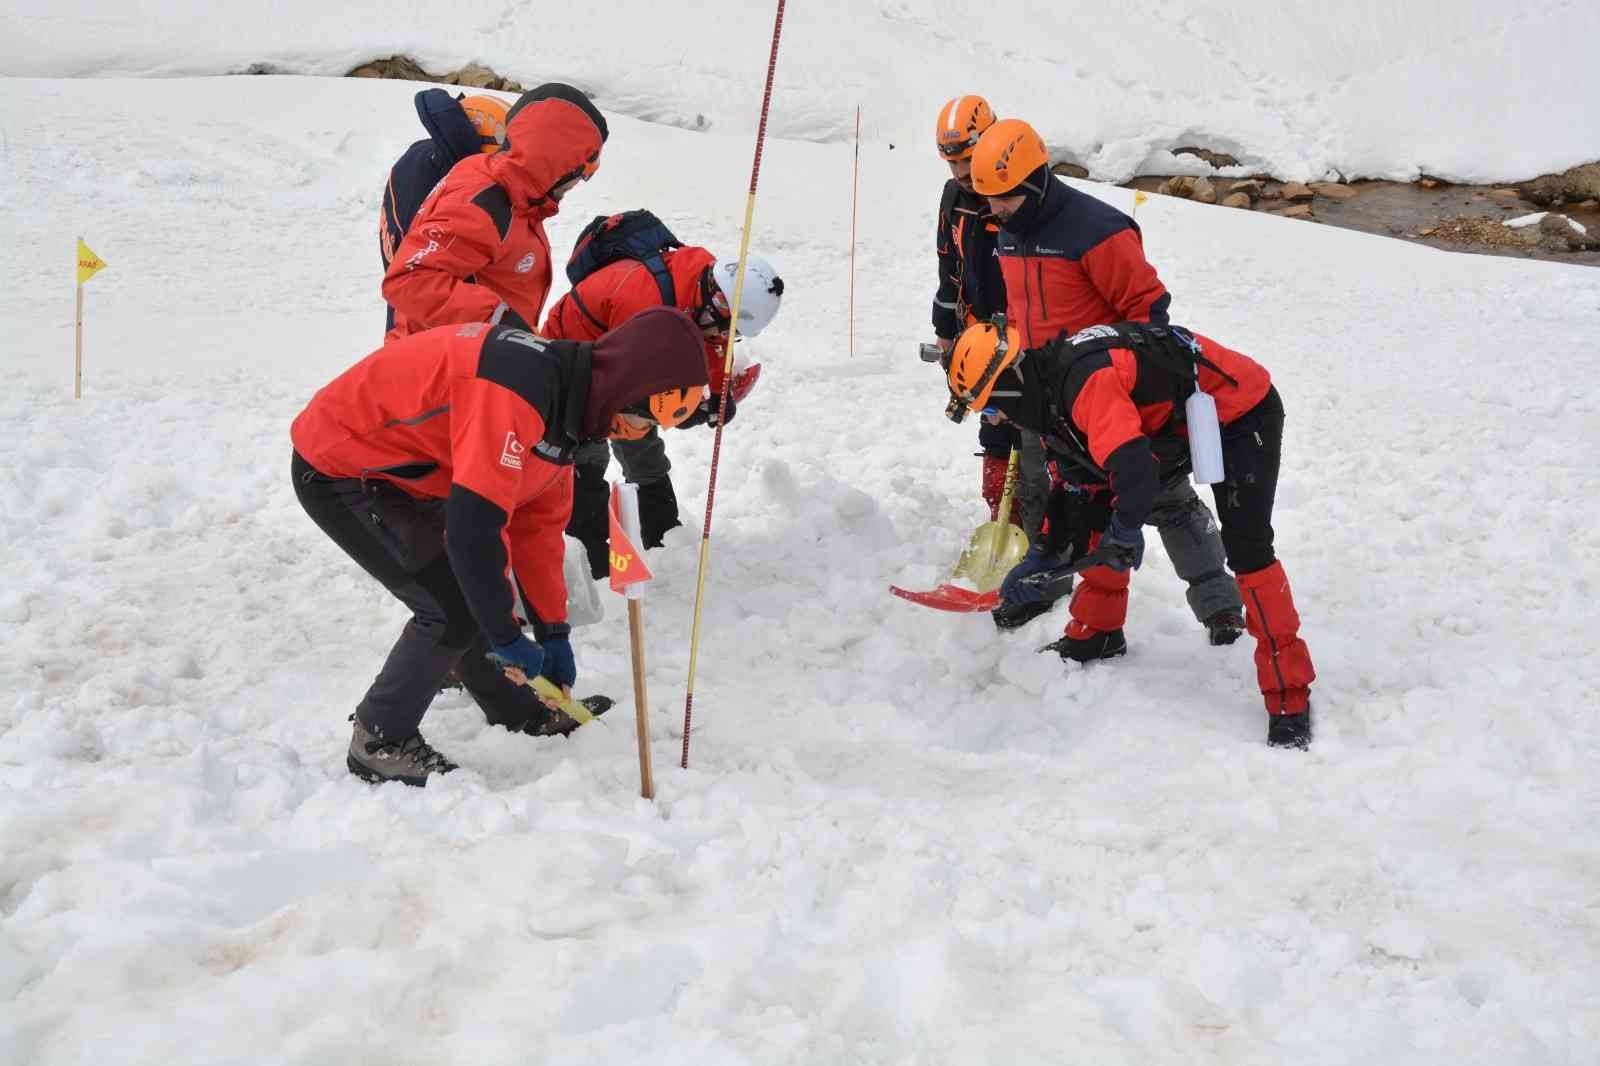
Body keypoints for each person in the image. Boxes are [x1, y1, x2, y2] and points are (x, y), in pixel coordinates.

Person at [290, 307, 710, 785]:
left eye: (648, 430)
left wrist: (553, 632)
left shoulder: (568, 416)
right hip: (343, 464)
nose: (634, 435)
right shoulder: (518, 392)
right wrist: (508, 638)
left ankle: (518, 711)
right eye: (638, 419)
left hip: (415, 476)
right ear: (622, 384)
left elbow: (537, 530)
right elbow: (474, 531)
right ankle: (380, 738)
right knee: (450, 603)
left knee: (472, 592)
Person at [944, 318, 1315, 748]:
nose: (995, 419)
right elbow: (1074, 488)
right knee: (1092, 503)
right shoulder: (1044, 391)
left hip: (1239, 411)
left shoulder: (1085, 385)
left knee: (1248, 546)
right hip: (1173, 424)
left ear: (1006, 384)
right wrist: (1042, 557)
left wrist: (1125, 531)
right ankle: (1098, 632)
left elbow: (1134, 470)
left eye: (990, 408)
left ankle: (1289, 691)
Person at [968, 117, 1245, 646]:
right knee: (1060, 501)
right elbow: (1022, 312)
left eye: (1003, 198)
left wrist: (1121, 385)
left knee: (1164, 498)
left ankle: (1219, 605)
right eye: (987, 199)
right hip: (1045, 397)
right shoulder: (1008, 230)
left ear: (1035, 181)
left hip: (1110, 394)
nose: (994, 210)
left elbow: (1149, 316)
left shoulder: (1098, 231)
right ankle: (1063, 601)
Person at [542, 231, 783, 576]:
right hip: (571, 355)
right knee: (588, 451)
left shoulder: (703, 288)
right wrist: (685, 413)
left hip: (621, 350)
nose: (725, 337)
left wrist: (716, 393)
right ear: (717, 302)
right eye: (727, 328)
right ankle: (591, 556)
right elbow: (636, 391)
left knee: (642, 444)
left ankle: (663, 534)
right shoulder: (645, 302)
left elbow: (707, 340)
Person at [931, 96, 1058, 629]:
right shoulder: (954, 196)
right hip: (975, 333)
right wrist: (945, 330)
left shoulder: (1015, 193)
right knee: (991, 426)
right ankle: (998, 526)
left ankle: (1041, 542)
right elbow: (948, 261)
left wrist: (1016, 343)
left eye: (967, 160)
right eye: (952, 163)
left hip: (1024, 338)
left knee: (1032, 436)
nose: (961, 173)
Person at [382, 83, 608, 341]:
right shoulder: (485, 201)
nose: (579, 183)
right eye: (583, 173)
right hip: (438, 365)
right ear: (557, 161)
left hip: (476, 355)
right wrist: (501, 321)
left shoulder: (520, 197)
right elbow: (410, 280)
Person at [378, 90, 510, 333]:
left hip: (404, 320)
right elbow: (420, 280)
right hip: (426, 331)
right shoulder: (446, 194)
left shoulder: (418, 158)